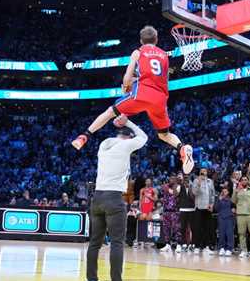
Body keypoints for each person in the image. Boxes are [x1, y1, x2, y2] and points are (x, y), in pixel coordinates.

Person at [71, 25, 194, 174]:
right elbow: (163, 78)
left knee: (110, 112)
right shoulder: (164, 55)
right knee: (164, 134)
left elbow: (127, 76)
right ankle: (182, 147)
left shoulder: (138, 52)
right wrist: (138, 80)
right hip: (160, 98)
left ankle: (83, 136)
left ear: (141, 40)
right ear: (156, 40)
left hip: (142, 95)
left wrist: (126, 85)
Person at [86, 115, 147, 281]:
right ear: (128, 137)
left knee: (94, 244)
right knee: (117, 243)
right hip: (114, 198)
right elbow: (143, 137)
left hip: (97, 198)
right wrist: (127, 121)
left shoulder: (104, 145)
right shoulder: (125, 145)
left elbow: (115, 140)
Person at [232, 176, 250, 259]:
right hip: (240, 214)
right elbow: (233, 201)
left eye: (245, 180)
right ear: (240, 182)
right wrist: (235, 191)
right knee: (241, 234)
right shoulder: (237, 191)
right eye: (242, 180)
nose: (244, 181)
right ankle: (244, 251)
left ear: (248, 181)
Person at [192, 168, 216, 254]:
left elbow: (213, 194)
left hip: (208, 207)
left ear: (207, 173)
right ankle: (197, 246)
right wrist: (198, 183)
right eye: (202, 171)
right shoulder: (196, 181)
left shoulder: (210, 181)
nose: (203, 172)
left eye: (205, 171)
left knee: (207, 228)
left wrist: (212, 204)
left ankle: (206, 246)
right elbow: (194, 193)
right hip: (199, 207)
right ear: (200, 173)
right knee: (198, 228)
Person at [177, 173, 196, 252]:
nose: (186, 179)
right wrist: (178, 183)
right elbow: (175, 194)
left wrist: (190, 188)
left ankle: (192, 244)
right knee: (183, 228)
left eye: (187, 178)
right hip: (183, 209)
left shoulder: (192, 186)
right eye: (184, 178)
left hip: (191, 209)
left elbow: (193, 197)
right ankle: (184, 244)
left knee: (192, 228)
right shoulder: (180, 186)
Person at [215, 188, 235, 256]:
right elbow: (216, 208)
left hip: (229, 218)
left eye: (225, 191)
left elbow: (234, 208)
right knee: (221, 234)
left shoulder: (231, 200)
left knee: (229, 234)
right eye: (223, 191)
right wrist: (219, 200)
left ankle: (229, 249)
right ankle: (221, 248)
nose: (224, 192)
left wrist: (233, 211)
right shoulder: (219, 199)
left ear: (228, 192)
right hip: (221, 218)